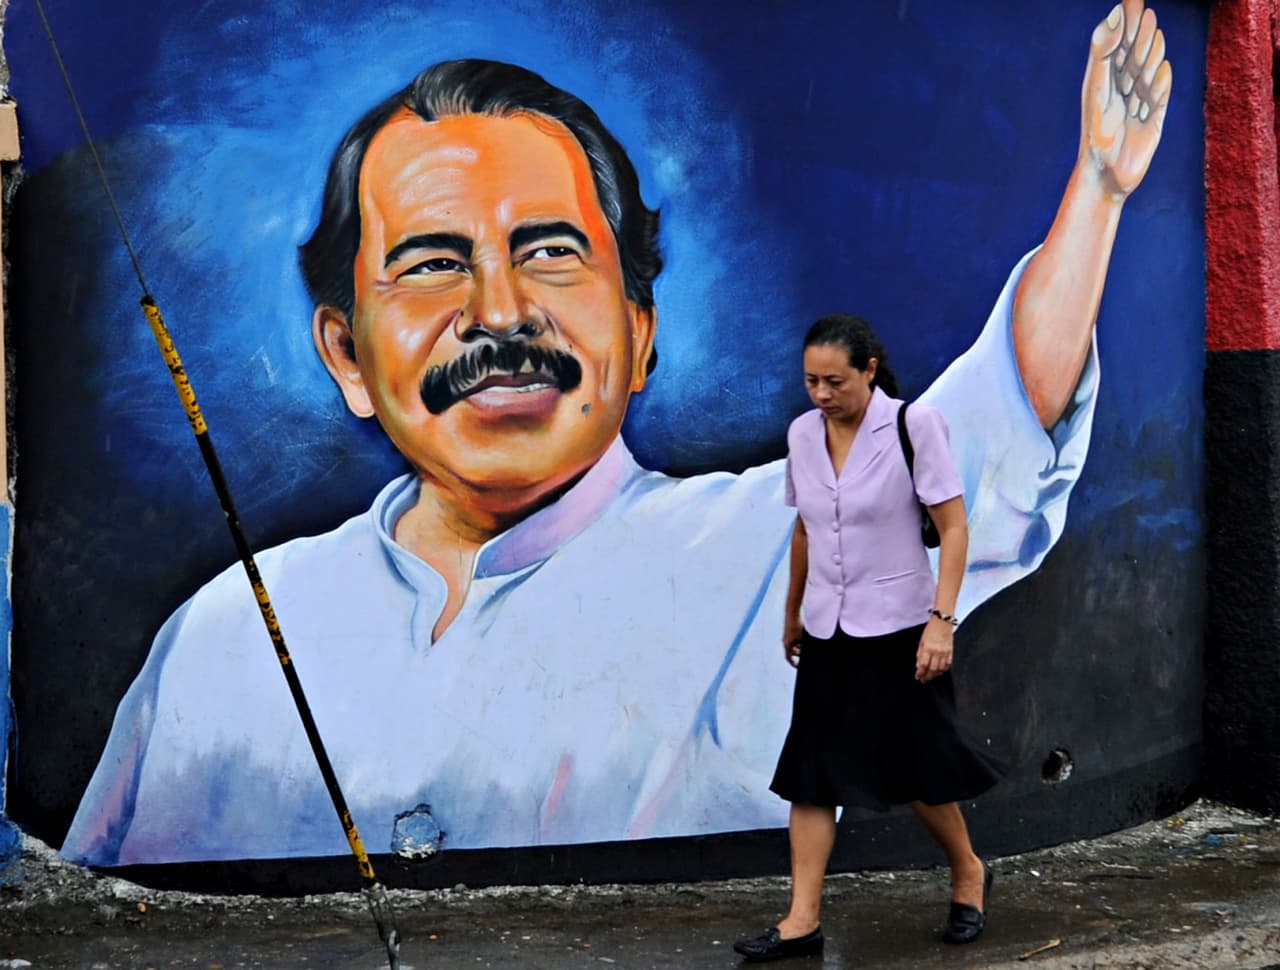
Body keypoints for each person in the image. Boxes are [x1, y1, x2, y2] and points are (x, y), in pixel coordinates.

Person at [62, 0, 1171, 866]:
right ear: (347, 354)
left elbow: (993, 421)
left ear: (638, 331)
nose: (498, 315)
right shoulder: (226, 640)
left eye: (549, 252)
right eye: (435, 263)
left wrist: (1098, 189)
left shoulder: (751, 547)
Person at [734, 317, 1002, 963]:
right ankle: (802, 919)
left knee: (917, 771)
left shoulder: (914, 426)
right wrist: (793, 610)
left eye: (834, 381)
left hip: (902, 627)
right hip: (829, 625)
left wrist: (943, 620)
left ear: (869, 371)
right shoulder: (803, 434)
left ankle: (968, 871)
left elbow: (954, 525)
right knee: (812, 776)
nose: (821, 394)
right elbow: (806, 528)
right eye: (810, 381)